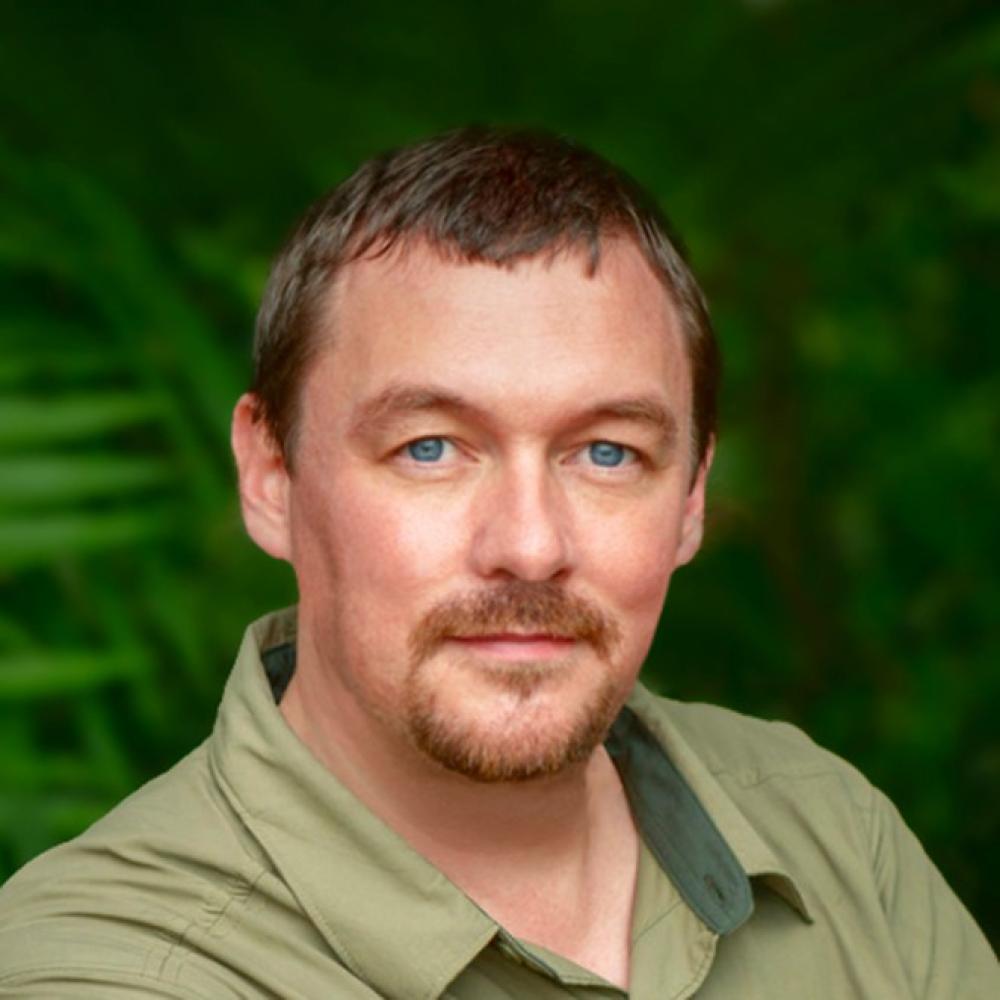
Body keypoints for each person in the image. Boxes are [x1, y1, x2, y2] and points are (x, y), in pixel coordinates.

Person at [0, 128, 994, 999]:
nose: (528, 543)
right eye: (429, 447)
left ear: (690, 496)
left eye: (606, 453)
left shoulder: (829, 832)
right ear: (271, 477)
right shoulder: (104, 964)